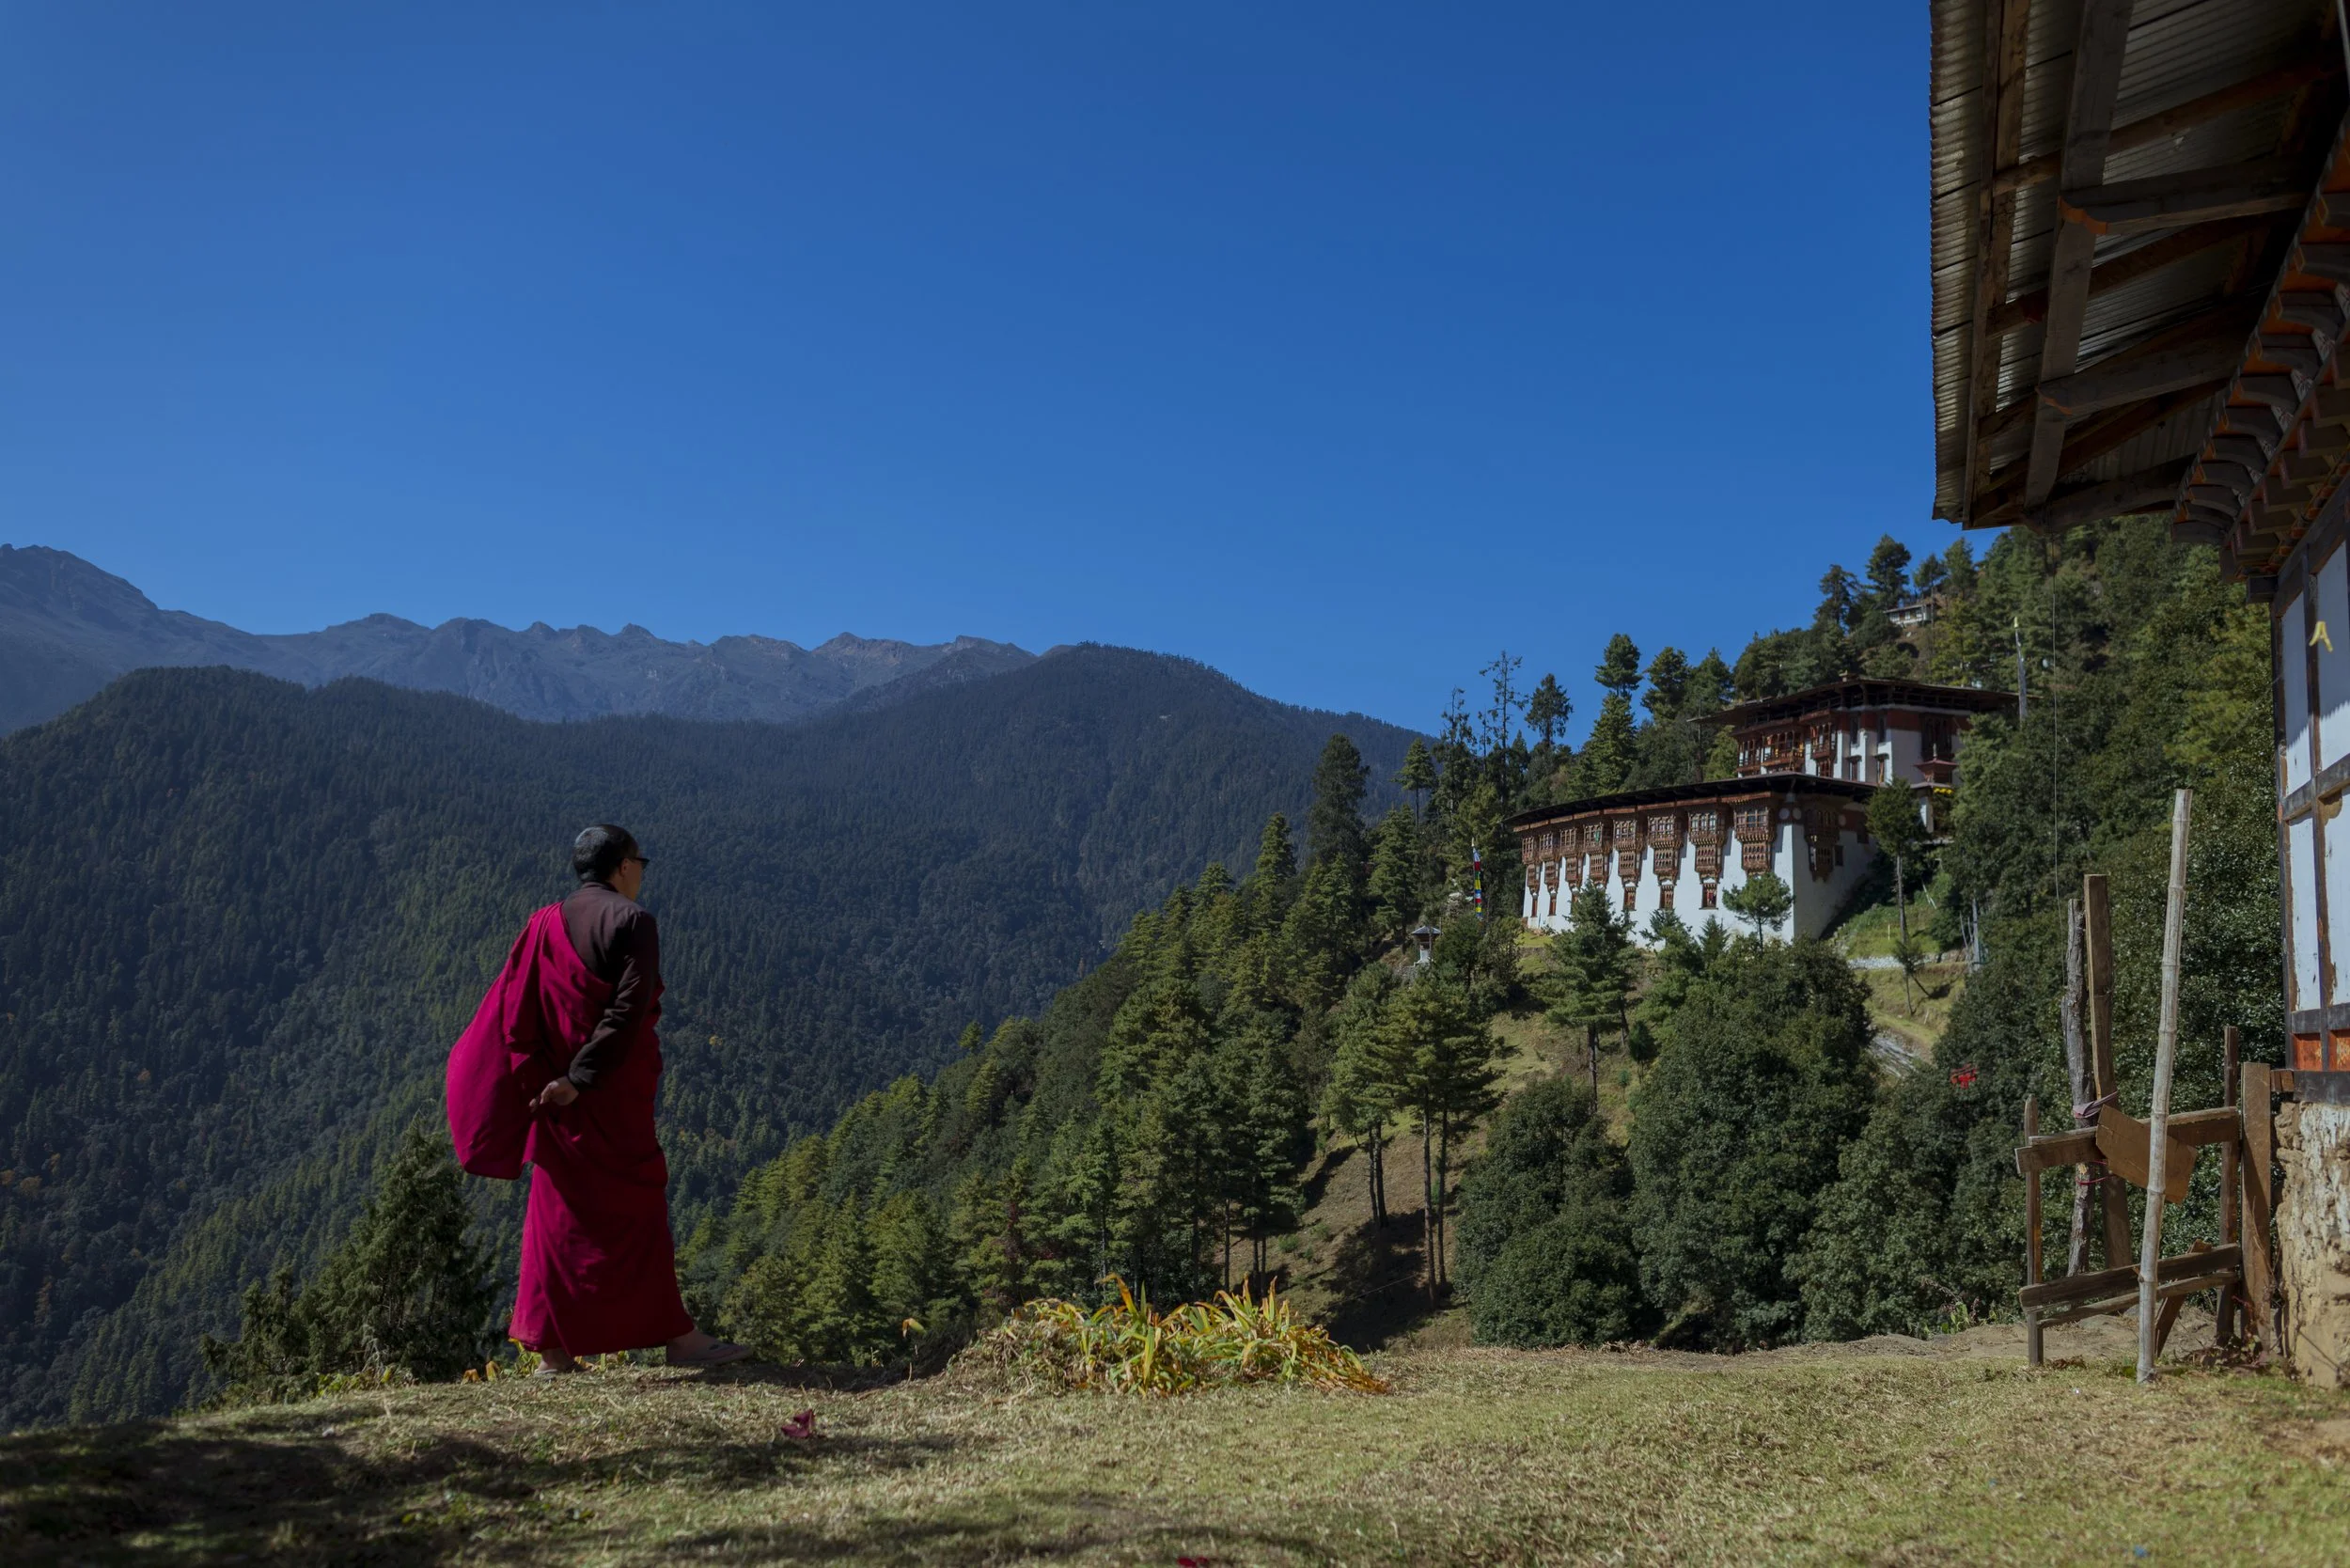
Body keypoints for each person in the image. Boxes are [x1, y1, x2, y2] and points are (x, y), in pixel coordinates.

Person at [446, 824, 749, 1372]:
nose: (640, 874)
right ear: (624, 867)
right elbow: (628, 1013)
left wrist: (546, 1082)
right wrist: (582, 1079)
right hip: (605, 1094)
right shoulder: (634, 922)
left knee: (554, 1213)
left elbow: (517, 1013)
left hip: (554, 1095)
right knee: (638, 1210)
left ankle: (553, 1352)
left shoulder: (542, 925)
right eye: (641, 863)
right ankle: (679, 1341)